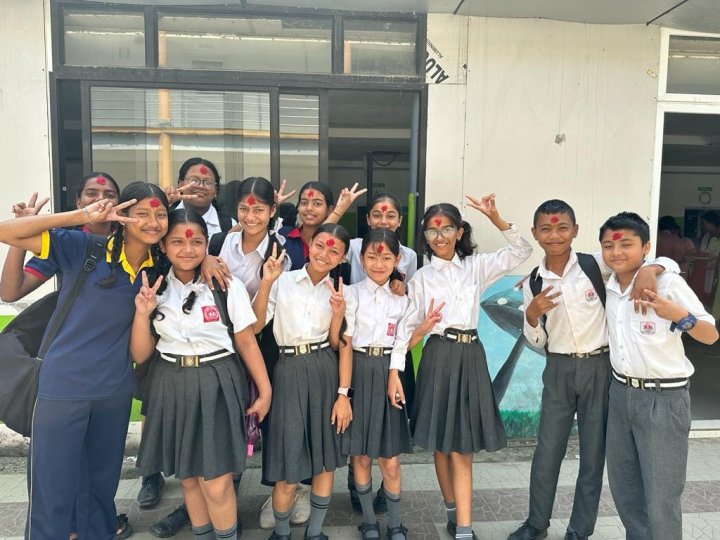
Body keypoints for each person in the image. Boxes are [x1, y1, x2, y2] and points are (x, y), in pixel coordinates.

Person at [0, 182, 169, 539]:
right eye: (142, 213)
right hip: (63, 390)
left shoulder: (158, 270)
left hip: (114, 393)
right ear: (122, 216)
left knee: (99, 495)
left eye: (160, 214)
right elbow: (6, 232)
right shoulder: (85, 247)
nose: (153, 222)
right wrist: (81, 215)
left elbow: (140, 351)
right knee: (52, 496)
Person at [510, 200, 679, 540]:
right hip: (558, 369)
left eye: (562, 227)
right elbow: (537, 339)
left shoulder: (595, 265)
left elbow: (654, 261)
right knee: (547, 451)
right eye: (546, 229)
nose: (554, 235)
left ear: (575, 230)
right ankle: (536, 524)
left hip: (600, 368)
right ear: (535, 233)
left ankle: (579, 529)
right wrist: (531, 314)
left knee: (592, 454)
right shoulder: (534, 282)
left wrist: (652, 269)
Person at [390, 195, 533, 540]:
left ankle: (465, 529)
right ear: (425, 236)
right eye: (432, 231)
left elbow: (522, 251)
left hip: (471, 356)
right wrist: (395, 369)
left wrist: (497, 217)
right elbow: (406, 331)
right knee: (441, 444)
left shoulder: (476, 267)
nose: (439, 237)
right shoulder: (421, 278)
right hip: (438, 356)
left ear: (459, 231)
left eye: (446, 229)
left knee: (462, 448)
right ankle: (453, 512)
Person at [130, 209, 272, 540]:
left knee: (218, 482)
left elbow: (246, 340)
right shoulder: (153, 287)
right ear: (163, 245)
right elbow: (140, 354)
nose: (187, 249)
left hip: (217, 381)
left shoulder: (225, 285)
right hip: (170, 382)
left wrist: (265, 391)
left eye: (196, 242)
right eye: (177, 242)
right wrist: (142, 314)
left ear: (207, 245)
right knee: (189, 477)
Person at [600, 211, 718, 540]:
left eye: (626, 244)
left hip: (663, 398)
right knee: (624, 487)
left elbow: (710, 334)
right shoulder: (609, 282)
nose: (616, 252)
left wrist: (677, 314)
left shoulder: (669, 285)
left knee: (661, 495)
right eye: (609, 245)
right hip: (620, 394)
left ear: (646, 247)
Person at [252, 223, 356, 540]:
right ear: (311, 246)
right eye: (321, 245)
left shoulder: (341, 292)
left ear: (342, 258)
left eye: (334, 251)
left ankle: (315, 532)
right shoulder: (282, 280)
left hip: (324, 368)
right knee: (288, 460)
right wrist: (266, 283)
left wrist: (343, 395)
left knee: (324, 461)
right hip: (288, 369)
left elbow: (340, 344)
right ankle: (282, 532)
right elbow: (255, 325)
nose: (325, 254)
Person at [344, 193, 418, 514]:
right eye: (377, 214)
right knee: (358, 443)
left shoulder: (409, 256)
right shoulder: (352, 249)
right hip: (357, 353)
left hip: (390, 356)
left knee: (389, 446)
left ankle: (388, 505)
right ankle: (360, 499)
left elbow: (406, 317)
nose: (383, 220)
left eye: (390, 216)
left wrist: (402, 289)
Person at [656, 215, 694, 279]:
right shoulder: (675, 239)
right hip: (669, 273)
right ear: (672, 227)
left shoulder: (654, 238)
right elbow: (679, 258)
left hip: (654, 271)